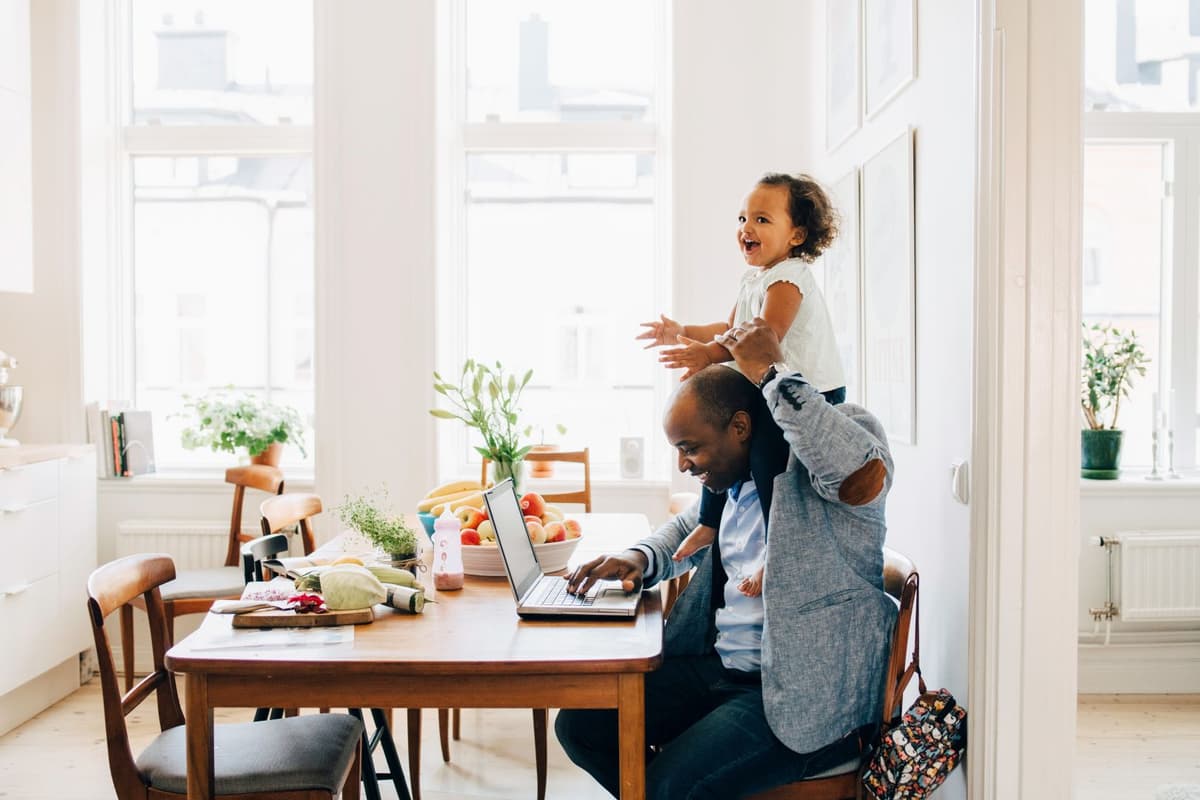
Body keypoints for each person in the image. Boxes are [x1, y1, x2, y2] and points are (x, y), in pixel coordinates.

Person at [556, 318, 896, 800]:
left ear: (740, 427)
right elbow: (685, 528)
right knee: (581, 726)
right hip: (719, 669)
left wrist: (770, 371)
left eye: (690, 448)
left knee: (668, 785)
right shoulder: (734, 479)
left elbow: (857, 472)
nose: (683, 464)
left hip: (798, 700)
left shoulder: (837, 442)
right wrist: (637, 557)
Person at [637, 172, 849, 596]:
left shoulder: (790, 278)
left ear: (797, 235)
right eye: (742, 218)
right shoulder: (753, 279)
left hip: (807, 393)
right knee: (724, 449)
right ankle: (708, 524)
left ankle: (776, 550)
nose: (746, 228)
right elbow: (730, 327)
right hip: (767, 385)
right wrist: (684, 331)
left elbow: (762, 339)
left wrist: (709, 355)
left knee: (767, 459)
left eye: (762, 219)